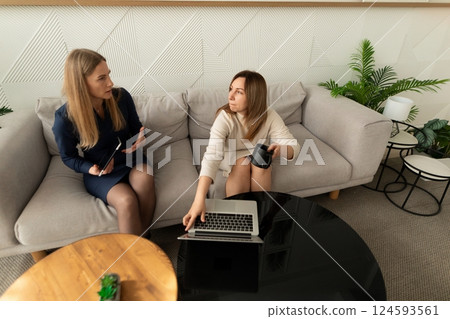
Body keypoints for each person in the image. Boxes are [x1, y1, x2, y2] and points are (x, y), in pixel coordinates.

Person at [52, 49, 155, 236]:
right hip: (101, 171)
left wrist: (140, 138)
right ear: (82, 83)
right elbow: (68, 157)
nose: (110, 83)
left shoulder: (121, 97)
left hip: (131, 159)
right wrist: (91, 168)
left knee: (145, 178)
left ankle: (145, 242)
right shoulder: (64, 118)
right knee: (126, 201)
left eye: (109, 75)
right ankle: (137, 254)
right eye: (101, 78)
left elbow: (137, 128)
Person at [183, 70, 300, 231]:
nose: (230, 96)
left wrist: (280, 149)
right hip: (231, 157)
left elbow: (294, 147)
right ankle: (238, 220)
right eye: (231, 89)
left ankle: (260, 217)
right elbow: (212, 156)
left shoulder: (269, 115)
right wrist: (199, 199)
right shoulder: (225, 117)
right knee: (242, 164)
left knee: (261, 163)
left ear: (253, 96)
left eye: (238, 92)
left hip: (257, 156)